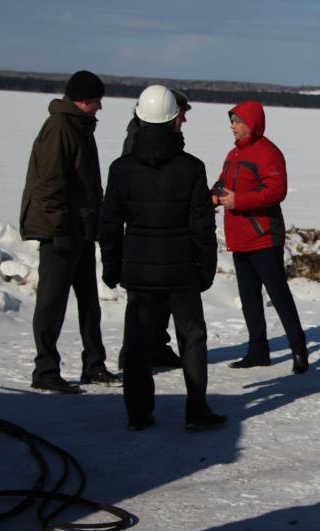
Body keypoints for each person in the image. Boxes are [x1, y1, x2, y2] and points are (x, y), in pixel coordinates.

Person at [99, 84, 226, 430]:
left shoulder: (120, 169)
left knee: (138, 344)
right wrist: (207, 268)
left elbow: (109, 224)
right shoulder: (191, 168)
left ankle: (138, 413)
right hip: (181, 272)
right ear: (173, 121)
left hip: (139, 273)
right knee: (192, 337)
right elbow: (202, 226)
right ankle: (197, 410)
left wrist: (111, 266)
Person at [20, 70, 120, 394]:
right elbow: (48, 184)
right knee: (52, 303)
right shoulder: (59, 128)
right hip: (60, 233)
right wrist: (58, 228)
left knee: (89, 302)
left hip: (80, 230)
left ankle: (94, 364)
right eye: (97, 101)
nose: (100, 107)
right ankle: (45, 370)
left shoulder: (79, 127)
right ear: (83, 100)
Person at [212, 100, 309, 374]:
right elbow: (222, 183)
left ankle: (299, 349)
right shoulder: (233, 155)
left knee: (278, 295)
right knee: (249, 297)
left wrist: (239, 200)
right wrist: (213, 195)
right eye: (231, 121)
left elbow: (276, 191)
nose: (232, 126)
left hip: (264, 236)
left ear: (251, 124)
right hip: (239, 237)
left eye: (237, 121)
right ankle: (258, 351)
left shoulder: (267, 153)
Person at [116, 89, 193, 371]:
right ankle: (133, 354)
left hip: (159, 233)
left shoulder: (161, 138)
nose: (184, 120)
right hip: (146, 233)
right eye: (182, 114)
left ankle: (156, 348)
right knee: (141, 303)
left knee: (158, 301)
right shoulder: (139, 141)